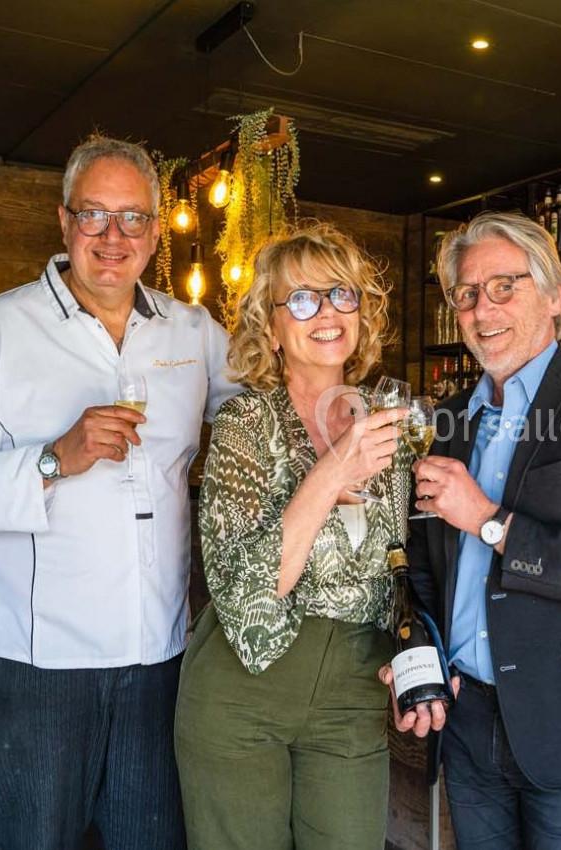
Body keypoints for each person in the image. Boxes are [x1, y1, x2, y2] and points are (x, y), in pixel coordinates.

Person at [0, 135, 237, 849]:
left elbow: (267, 413)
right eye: (94, 216)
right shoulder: (1, 328)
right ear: (64, 222)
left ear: (154, 230)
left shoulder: (193, 331)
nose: (114, 238)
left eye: (133, 218)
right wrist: (52, 459)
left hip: (158, 656)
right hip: (44, 665)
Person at [387, 210, 561, 849]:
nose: (482, 310)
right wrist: (421, 656)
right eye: (467, 294)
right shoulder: (450, 418)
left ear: (555, 295)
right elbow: (429, 567)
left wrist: (488, 521)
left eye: (503, 287)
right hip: (464, 718)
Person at [174, 224, 411, 850]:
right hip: (243, 690)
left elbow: (401, 564)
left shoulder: (390, 422)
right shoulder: (245, 424)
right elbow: (249, 601)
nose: (327, 313)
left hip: (355, 691)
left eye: (341, 294)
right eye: (302, 300)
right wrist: (332, 471)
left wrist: (413, 658)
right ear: (271, 327)